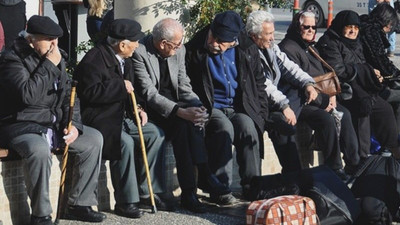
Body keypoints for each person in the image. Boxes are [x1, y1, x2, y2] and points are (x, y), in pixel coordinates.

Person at [0, 15, 105, 225]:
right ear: (31, 39)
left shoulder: (56, 57)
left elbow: (69, 96)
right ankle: (41, 215)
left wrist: (73, 125)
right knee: (38, 150)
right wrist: (48, 64)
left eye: (56, 40)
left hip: (52, 123)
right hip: (20, 124)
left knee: (93, 140)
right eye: (49, 40)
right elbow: (26, 95)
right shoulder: (12, 58)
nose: (54, 45)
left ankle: (79, 204)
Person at [74, 19, 177, 218]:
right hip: (99, 119)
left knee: (155, 134)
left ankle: (149, 191)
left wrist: (138, 108)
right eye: (134, 41)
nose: (138, 45)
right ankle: (126, 201)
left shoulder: (125, 59)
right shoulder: (94, 59)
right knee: (125, 143)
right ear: (122, 44)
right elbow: (90, 93)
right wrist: (120, 87)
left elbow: (132, 91)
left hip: (121, 116)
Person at [132, 18, 230, 212]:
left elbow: (184, 84)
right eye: (175, 45)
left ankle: (192, 189)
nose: (179, 48)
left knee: (190, 124)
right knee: (183, 125)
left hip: (178, 105)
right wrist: (180, 112)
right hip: (152, 109)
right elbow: (149, 93)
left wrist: (198, 106)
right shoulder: (140, 52)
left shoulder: (179, 49)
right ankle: (194, 186)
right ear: (162, 44)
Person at [245, 10, 351, 180]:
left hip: (287, 102)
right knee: (284, 126)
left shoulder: (272, 47)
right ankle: (292, 175)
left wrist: (308, 84)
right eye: (268, 34)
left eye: (273, 32)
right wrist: (285, 106)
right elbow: (265, 86)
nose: (273, 37)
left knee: (324, 116)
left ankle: (336, 169)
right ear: (254, 35)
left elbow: (291, 69)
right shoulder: (249, 52)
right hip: (263, 105)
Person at [185, 11, 270, 200]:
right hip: (210, 106)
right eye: (213, 36)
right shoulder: (194, 49)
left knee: (249, 128)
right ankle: (220, 189)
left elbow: (259, 83)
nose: (214, 42)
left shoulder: (247, 47)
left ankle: (252, 186)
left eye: (221, 41)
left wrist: (262, 113)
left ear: (233, 41)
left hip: (239, 106)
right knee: (224, 128)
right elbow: (186, 84)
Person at [278, 11, 360, 174]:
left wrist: (332, 95)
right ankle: (335, 167)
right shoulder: (288, 48)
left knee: (345, 114)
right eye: (306, 27)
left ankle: (354, 163)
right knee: (326, 119)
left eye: (314, 27)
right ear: (297, 27)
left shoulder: (311, 48)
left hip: (322, 97)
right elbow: (297, 84)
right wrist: (324, 101)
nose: (311, 30)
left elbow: (324, 75)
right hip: (301, 102)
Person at [316, 10, 400, 160]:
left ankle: (392, 150)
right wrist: (367, 71)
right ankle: (362, 158)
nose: (352, 31)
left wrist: (373, 73)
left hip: (361, 85)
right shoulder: (330, 42)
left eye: (356, 28)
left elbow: (361, 62)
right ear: (341, 26)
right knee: (364, 107)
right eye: (349, 27)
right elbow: (338, 70)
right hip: (344, 88)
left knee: (385, 109)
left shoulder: (356, 42)